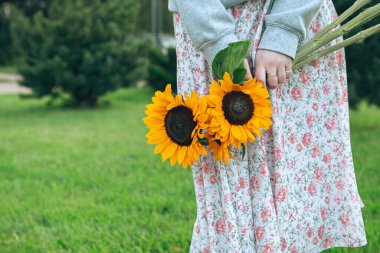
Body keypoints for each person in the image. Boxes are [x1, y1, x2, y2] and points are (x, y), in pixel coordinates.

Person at [168, 0, 367, 252]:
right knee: (233, 198)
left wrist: (285, 29)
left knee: (295, 190)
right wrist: (218, 41)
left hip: (294, 20)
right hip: (211, 23)